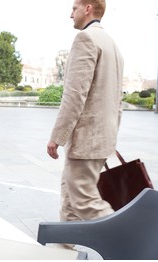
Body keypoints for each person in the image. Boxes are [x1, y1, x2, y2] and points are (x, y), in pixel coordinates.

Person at [47, 0, 124, 224]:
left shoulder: (85, 39)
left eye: (74, 9)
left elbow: (74, 95)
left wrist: (56, 137)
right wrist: (109, 136)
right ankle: (64, 251)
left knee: (84, 201)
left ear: (87, 8)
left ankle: (127, 243)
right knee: (70, 200)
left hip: (86, 142)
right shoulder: (112, 44)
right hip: (101, 140)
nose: (71, 14)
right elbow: (117, 100)